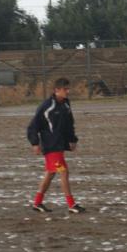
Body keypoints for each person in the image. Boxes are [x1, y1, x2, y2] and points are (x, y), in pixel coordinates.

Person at [27, 77, 85, 214]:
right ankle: (71, 204)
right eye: (65, 89)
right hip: (51, 147)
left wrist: (72, 140)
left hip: (59, 145)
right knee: (63, 171)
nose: (68, 91)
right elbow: (32, 126)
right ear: (56, 90)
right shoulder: (47, 106)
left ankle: (37, 203)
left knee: (50, 173)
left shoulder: (66, 104)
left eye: (68, 89)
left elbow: (69, 124)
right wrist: (35, 143)